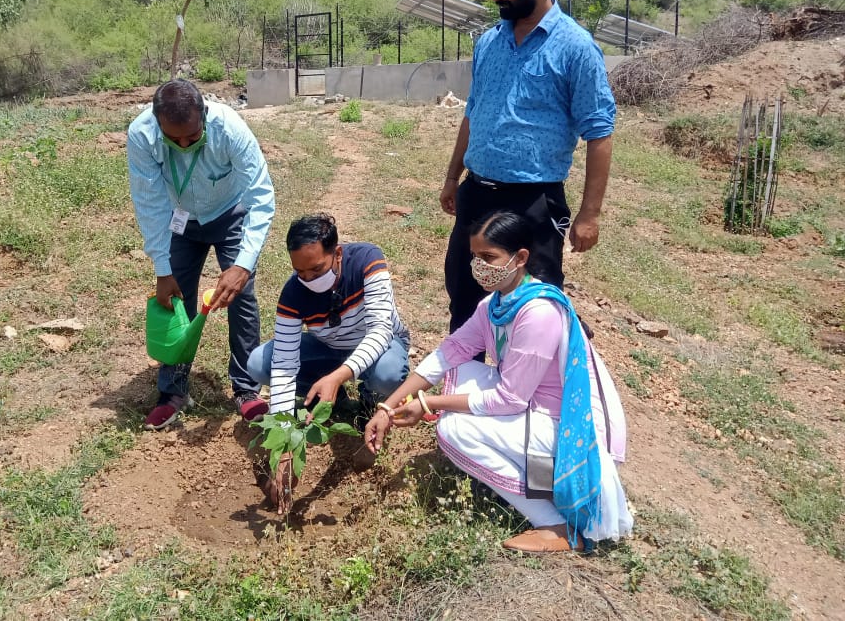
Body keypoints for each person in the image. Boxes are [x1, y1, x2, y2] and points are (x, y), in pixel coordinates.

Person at [364, 211, 632, 553]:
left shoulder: (539, 314)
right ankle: (539, 482)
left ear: (520, 258)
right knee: (461, 373)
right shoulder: (496, 304)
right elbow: (451, 352)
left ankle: (554, 523)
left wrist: (428, 404)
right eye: (475, 257)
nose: (479, 266)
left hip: (564, 426)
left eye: (489, 257)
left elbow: (510, 400)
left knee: (453, 431)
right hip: (536, 410)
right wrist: (388, 406)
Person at [440, 0, 616, 332]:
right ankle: (464, 388)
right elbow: (473, 112)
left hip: (533, 202)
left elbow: (599, 133)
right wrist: (453, 177)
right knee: (465, 299)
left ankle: (529, 391)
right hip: (476, 194)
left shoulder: (576, 48)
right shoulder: (489, 42)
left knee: (533, 310)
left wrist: (590, 214)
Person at [128, 78, 275, 430]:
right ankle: (173, 391)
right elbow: (149, 203)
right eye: (172, 139)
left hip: (230, 213)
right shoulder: (142, 135)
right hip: (179, 221)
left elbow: (260, 196)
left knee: (241, 298)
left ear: (204, 117)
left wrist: (241, 265)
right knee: (176, 301)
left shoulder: (230, 128)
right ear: (156, 122)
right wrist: (162, 270)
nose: (182, 145)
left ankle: (246, 389)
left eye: (192, 139)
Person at [247, 213, 410, 513]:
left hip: (382, 345)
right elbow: (283, 363)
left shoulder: (367, 261)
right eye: (300, 272)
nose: (308, 278)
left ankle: (367, 404)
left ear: (336, 253)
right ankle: (331, 400)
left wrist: (338, 377)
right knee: (260, 363)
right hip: (329, 349)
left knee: (387, 375)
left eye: (316, 269)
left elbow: (380, 330)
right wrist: (285, 444)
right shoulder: (294, 293)